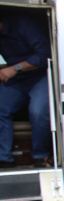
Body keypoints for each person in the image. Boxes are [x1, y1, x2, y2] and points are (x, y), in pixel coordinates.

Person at [0, 10, 53, 168]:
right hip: (17, 79)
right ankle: (4, 160)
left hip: (39, 75)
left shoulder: (24, 24)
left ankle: (41, 157)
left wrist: (15, 68)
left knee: (38, 112)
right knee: (1, 108)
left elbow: (44, 55)